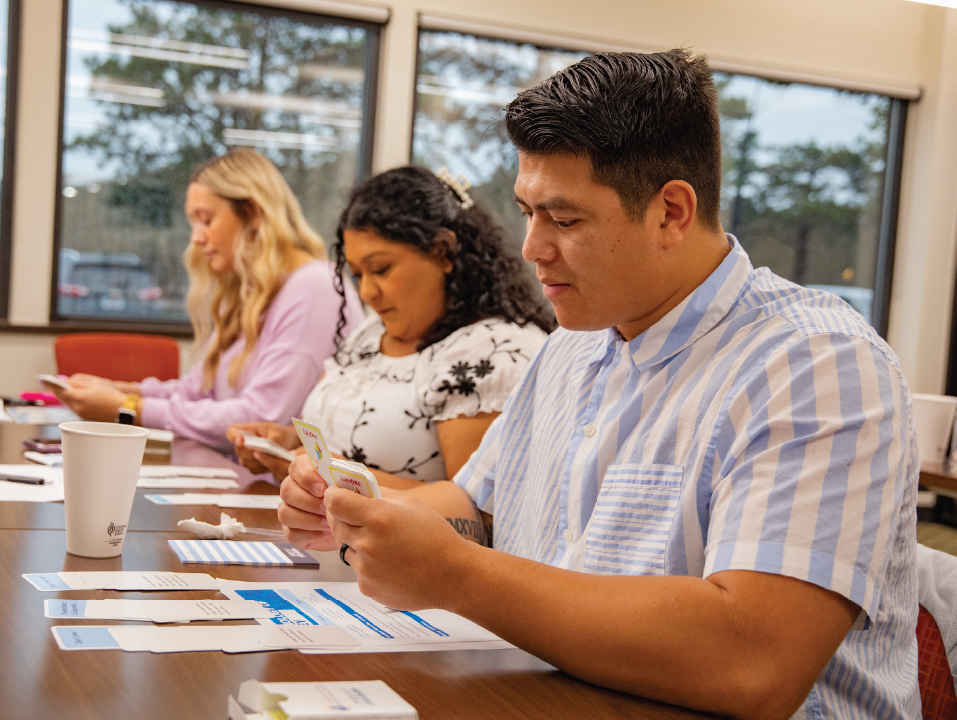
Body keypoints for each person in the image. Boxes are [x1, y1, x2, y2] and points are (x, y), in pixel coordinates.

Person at [278, 50, 919, 719]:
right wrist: (367, 509)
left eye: (564, 219)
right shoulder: (573, 345)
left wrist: (456, 573)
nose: (531, 247)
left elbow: (753, 662)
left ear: (671, 212)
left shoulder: (816, 364)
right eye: (527, 211)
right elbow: (479, 504)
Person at [229, 166, 554, 489]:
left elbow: (474, 512)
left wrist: (341, 477)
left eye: (381, 269)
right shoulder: (369, 337)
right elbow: (333, 439)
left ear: (443, 253)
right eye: (358, 275)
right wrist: (285, 444)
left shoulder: (491, 351)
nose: (368, 292)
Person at [49, 149, 363, 450]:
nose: (197, 238)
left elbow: (260, 419)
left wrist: (127, 407)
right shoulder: (248, 291)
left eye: (206, 220)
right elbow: (197, 391)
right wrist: (116, 390)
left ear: (252, 214)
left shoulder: (316, 287)